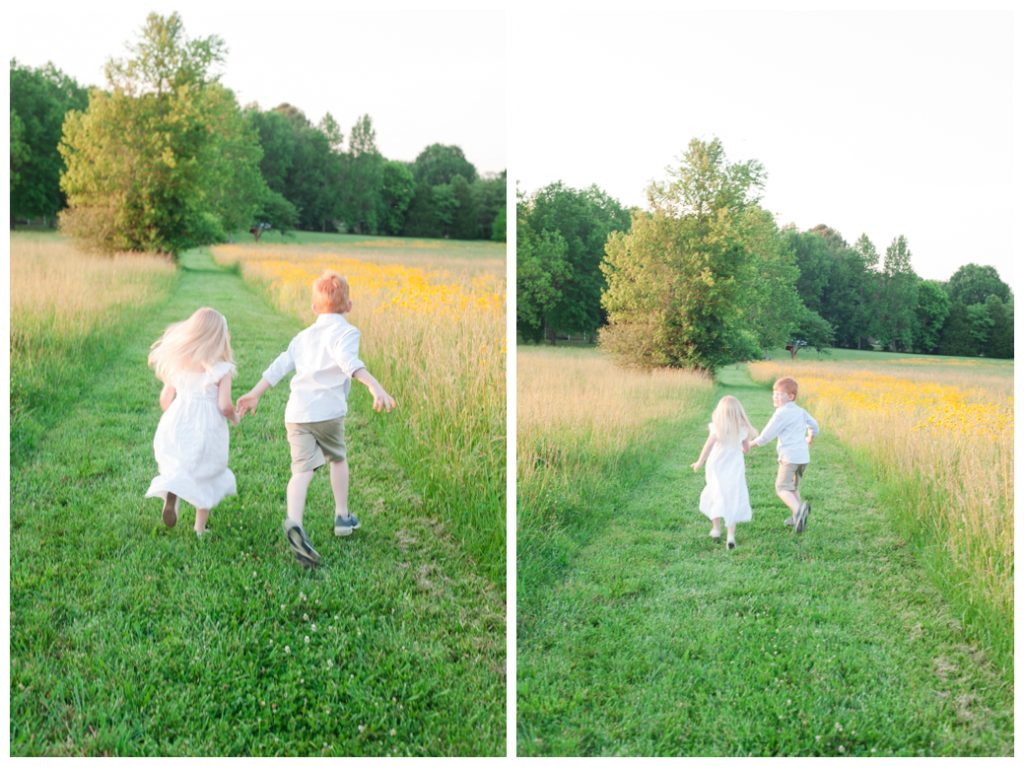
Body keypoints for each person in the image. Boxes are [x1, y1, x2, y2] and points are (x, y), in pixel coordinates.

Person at [236, 270, 396, 568]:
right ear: (349, 306)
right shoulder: (347, 332)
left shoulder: (302, 337)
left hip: (297, 414)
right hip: (328, 413)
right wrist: (375, 385)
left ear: (313, 309)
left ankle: (294, 520)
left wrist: (255, 393)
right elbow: (349, 363)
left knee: (301, 471)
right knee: (337, 458)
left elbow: (280, 365)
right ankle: (342, 516)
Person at [145, 307, 239, 536]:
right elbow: (224, 405)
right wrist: (234, 416)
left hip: (177, 420)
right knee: (206, 471)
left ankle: (172, 495)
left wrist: (175, 415)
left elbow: (165, 398)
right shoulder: (222, 370)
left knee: (179, 463)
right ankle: (199, 528)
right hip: (207, 428)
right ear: (219, 338)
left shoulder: (179, 364)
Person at [750, 377, 820, 533]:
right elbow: (815, 426)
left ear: (791, 396)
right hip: (803, 458)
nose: (775, 396)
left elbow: (765, 437)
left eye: (780, 394)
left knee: (781, 488)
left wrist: (749, 445)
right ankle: (797, 518)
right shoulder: (801, 411)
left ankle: (799, 510)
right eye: (774, 393)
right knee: (793, 487)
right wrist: (810, 436)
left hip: (789, 458)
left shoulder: (781, 414)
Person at [691, 395, 758, 550]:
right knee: (732, 497)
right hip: (734, 466)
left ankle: (715, 529)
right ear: (738, 412)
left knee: (716, 492)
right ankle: (730, 536)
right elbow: (746, 449)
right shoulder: (743, 428)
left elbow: (708, 446)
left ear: (720, 412)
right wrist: (741, 446)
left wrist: (699, 462)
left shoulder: (717, 427)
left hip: (716, 465)